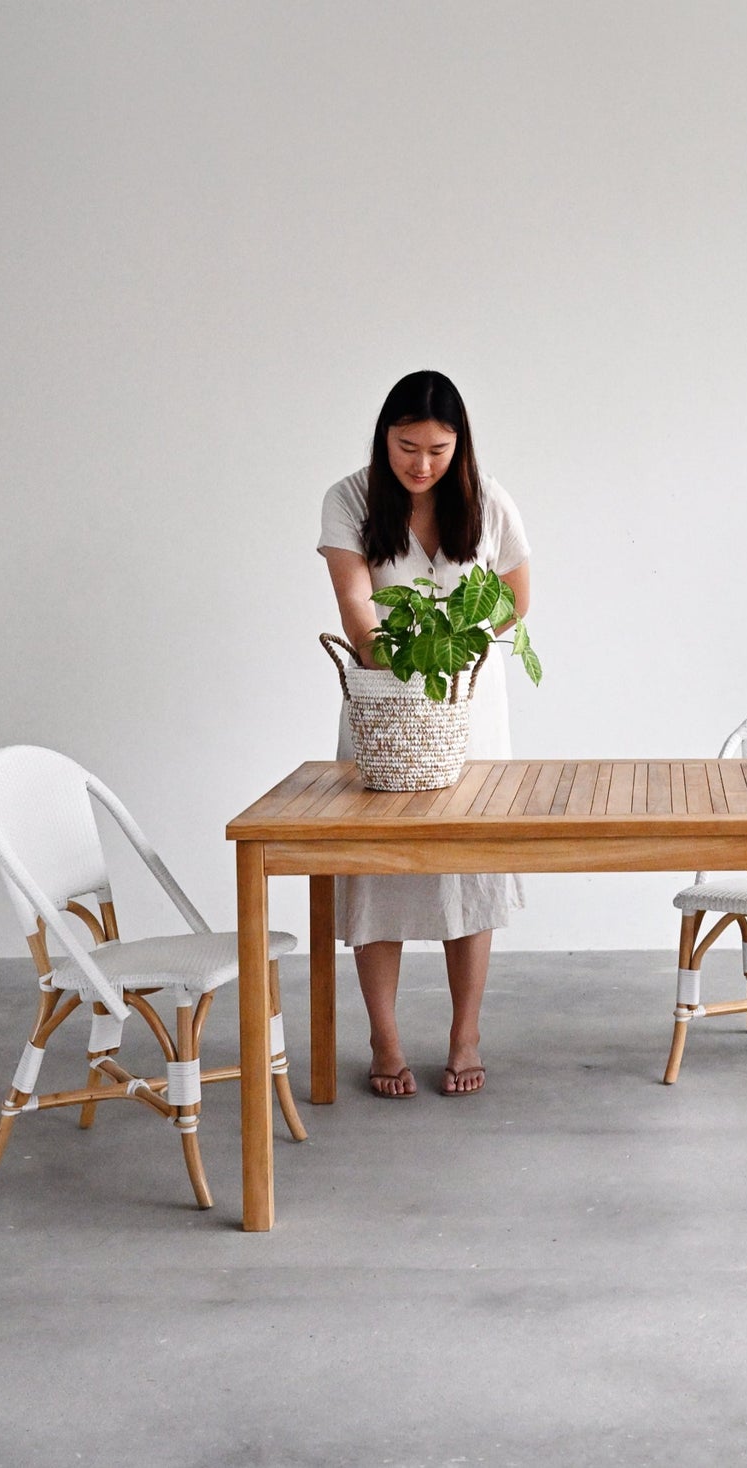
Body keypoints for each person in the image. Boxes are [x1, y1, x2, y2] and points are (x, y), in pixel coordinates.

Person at [318, 370, 531, 1099]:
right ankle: (384, 1037)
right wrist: (413, 658)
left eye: (438, 450)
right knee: (377, 869)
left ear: (459, 445)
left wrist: (454, 653)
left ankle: (465, 1033)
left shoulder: (487, 499)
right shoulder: (348, 500)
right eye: (407, 447)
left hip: (469, 706)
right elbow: (356, 609)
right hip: (383, 706)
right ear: (384, 439)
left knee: (468, 867)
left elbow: (515, 601)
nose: (421, 464)